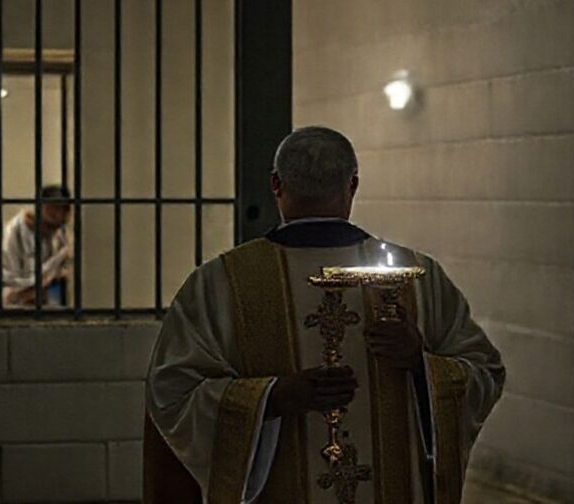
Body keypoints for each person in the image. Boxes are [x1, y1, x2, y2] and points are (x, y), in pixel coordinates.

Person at [145, 127, 505, 503]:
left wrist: (265, 400)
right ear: (353, 184)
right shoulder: (419, 278)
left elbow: (172, 393)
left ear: (275, 185)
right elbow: (484, 373)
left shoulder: (218, 283)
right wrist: (423, 366)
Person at [1, 185, 72, 306]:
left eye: (62, 209)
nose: (57, 213)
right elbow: (21, 278)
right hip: (20, 303)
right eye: (54, 209)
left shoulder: (58, 232)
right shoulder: (18, 230)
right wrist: (61, 258)